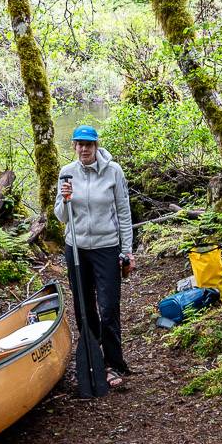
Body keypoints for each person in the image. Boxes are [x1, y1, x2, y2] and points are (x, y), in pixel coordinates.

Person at [54, 125, 133, 388]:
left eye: (88, 144)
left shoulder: (113, 171)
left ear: (96, 146)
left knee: (108, 307)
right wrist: (65, 200)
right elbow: (61, 216)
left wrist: (127, 251)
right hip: (76, 247)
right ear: (74, 146)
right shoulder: (67, 173)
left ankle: (114, 363)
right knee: (84, 308)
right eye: (79, 144)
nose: (84, 149)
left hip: (107, 246)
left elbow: (123, 212)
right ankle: (92, 358)